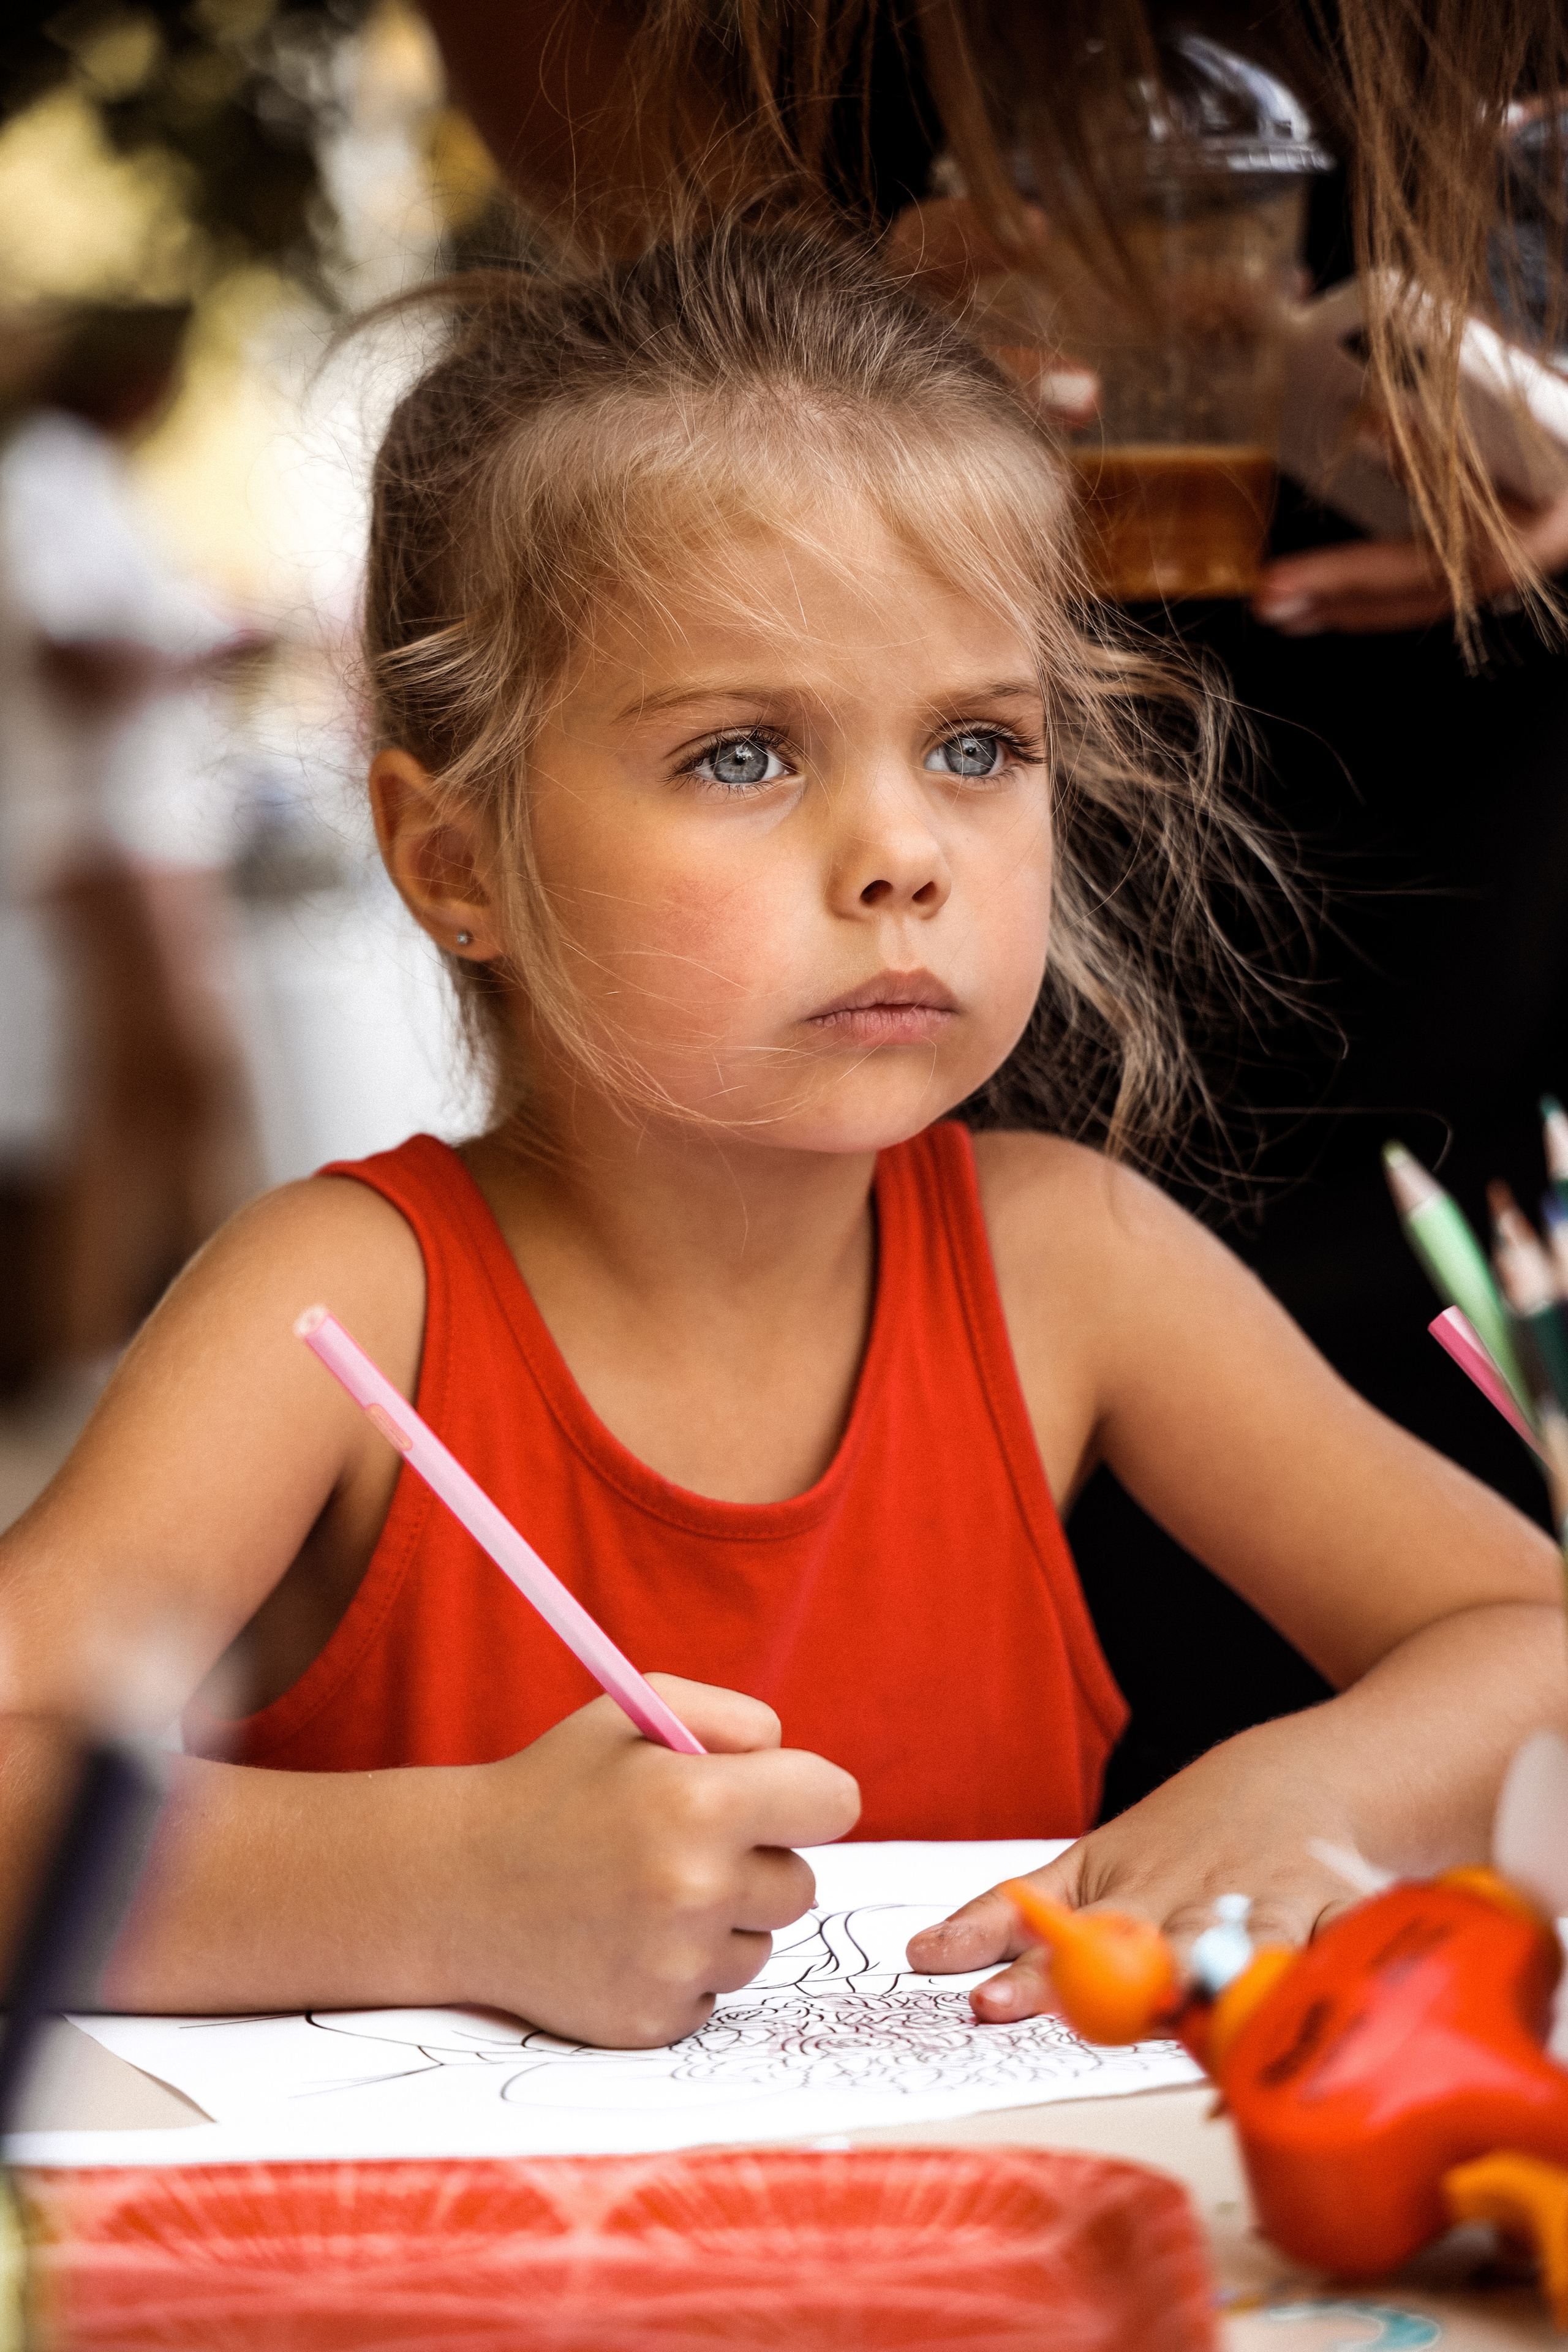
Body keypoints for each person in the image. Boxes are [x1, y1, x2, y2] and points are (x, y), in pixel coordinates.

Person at [0, 228, 1559, 2046]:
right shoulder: (344, 1303)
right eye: (743, 753)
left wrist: (1313, 1789)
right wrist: (440, 1882)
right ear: (455, 859)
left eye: (976, 746)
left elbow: (1531, 1644)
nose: (903, 854)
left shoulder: (1074, 1266)